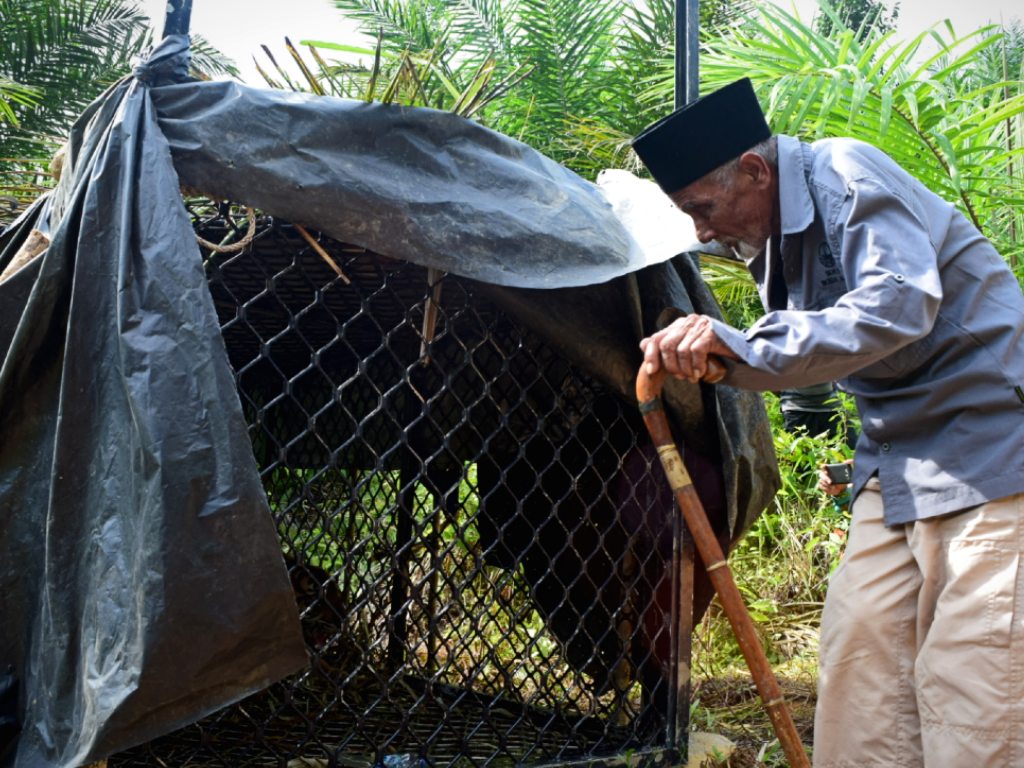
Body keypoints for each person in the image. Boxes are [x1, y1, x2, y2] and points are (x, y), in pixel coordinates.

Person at [632, 77, 1024, 767]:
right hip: (895, 455)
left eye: (702, 207)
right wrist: (729, 353)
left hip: (993, 442)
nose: (701, 232)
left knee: (975, 674)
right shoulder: (771, 240)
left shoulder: (845, 169)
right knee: (860, 659)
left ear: (755, 171)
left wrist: (740, 345)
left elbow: (899, 306)